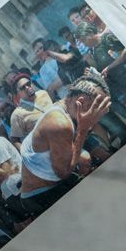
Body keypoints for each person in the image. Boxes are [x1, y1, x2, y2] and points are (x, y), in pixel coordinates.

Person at [9, 73, 110, 221]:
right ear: (80, 101)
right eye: (94, 108)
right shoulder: (58, 123)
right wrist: (83, 129)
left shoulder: (59, 104)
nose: (96, 114)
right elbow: (63, 172)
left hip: (54, 176)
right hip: (41, 195)